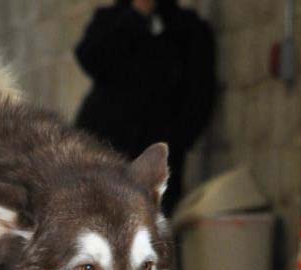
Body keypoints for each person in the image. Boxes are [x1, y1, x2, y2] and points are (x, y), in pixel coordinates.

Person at [75, 0, 216, 213]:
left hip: (158, 156)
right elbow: (91, 57)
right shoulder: (112, 20)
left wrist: (176, 142)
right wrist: (137, 15)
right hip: (105, 150)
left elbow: (200, 96)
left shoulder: (189, 30)